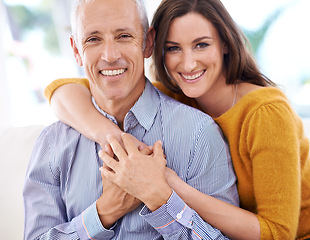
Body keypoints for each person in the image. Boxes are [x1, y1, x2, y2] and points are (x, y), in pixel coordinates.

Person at [43, 0, 310, 239]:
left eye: (201, 45)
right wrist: (119, 140)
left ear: (224, 43)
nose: (188, 62)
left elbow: (277, 233)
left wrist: (166, 182)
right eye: (174, 48)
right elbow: (61, 92)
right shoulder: (179, 95)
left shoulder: (264, 112)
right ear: (156, 50)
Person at [22, 0, 240, 239]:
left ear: (147, 43)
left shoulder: (199, 134)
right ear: (76, 50)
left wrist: (160, 200)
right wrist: (104, 211)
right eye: (93, 39)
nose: (110, 55)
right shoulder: (52, 144)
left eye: (124, 36)